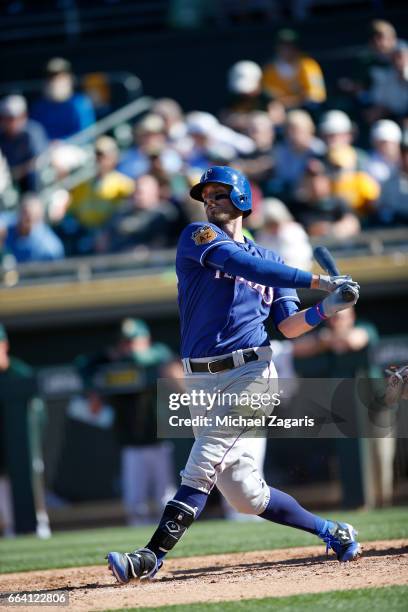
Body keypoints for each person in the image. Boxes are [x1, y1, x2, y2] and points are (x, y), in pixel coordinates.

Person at [107, 165, 361, 583]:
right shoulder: (198, 237)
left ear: (243, 199)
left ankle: (150, 556)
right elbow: (242, 264)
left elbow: (287, 326)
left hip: (252, 372)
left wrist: (328, 307)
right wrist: (319, 279)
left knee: (202, 463)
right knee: (246, 495)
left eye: (219, 194)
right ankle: (332, 532)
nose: (210, 201)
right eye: (206, 195)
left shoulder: (272, 258)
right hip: (201, 378)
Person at [77, 318, 178, 526]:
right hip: (131, 443)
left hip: (161, 441)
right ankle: (139, 543)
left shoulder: (158, 354)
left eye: (133, 341)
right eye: (125, 342)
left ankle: (171, 535)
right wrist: (113, 359)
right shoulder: (111, 363)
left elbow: (157, 357)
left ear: (145, 339)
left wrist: (131, 357)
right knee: (135, 503)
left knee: (166, 497)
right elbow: (83, 366)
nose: (128, 346)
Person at [31, 57, 95, 141]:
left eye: (59, 77)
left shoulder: (80, 103)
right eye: (50, 77)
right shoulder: (39, 106)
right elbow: (35, 135)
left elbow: (86, 135)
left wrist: (63, 143)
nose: (54, 82)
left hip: (76, 149)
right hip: (45, 150)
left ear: (69, 78)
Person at [262, 29, 326, 112]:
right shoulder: (270, 68)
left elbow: (316, 96)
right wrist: (299, 97)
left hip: (307, 111)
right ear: (277, 47)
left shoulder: (308, 64)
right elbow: (271, 96)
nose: (287, 49)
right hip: (280, 112)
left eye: (290, 45)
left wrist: (291, 101)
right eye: (283, 45)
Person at [0, 95, 48, 192]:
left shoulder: (33, 132)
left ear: (24, 115)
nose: (12, 122)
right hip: (7, 180)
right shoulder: (1, 134)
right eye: (7, 118)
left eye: (16, 117)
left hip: (33, 181)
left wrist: (17, 172)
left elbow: (40, 160)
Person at [3, 193, 64, 263]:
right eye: (22, 214)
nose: (24, 220)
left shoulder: (49, 249)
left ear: (39, 218)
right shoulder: (9, 227)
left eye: (29, 219)